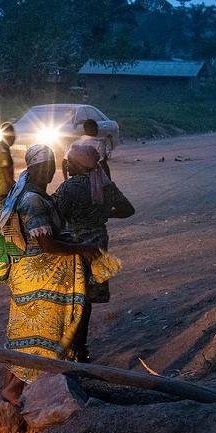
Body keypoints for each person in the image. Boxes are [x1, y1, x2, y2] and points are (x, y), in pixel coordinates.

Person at [0, 145, 101, 405]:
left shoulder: (31, 194)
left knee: (22, 339)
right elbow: (46, 245)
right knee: (44, 337)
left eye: (52, 165)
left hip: (27, 278)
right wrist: (81, 249)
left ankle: (9, 392)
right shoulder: (32, 200)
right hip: (37, 278)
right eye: (45, 166)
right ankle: (14, 390)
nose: (50, 171)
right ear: (32, 168)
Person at [53, 143, 135, 362]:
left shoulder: (69, 188)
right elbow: (128, 210)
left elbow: (56, 217)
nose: (66, 165)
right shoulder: (105, 185)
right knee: (86, 299)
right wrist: (103, 215)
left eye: (69, 162)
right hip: (98, 243)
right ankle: (81, 349)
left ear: (78, 165)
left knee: (70, 298)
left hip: (75, 246)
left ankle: (70, 348)